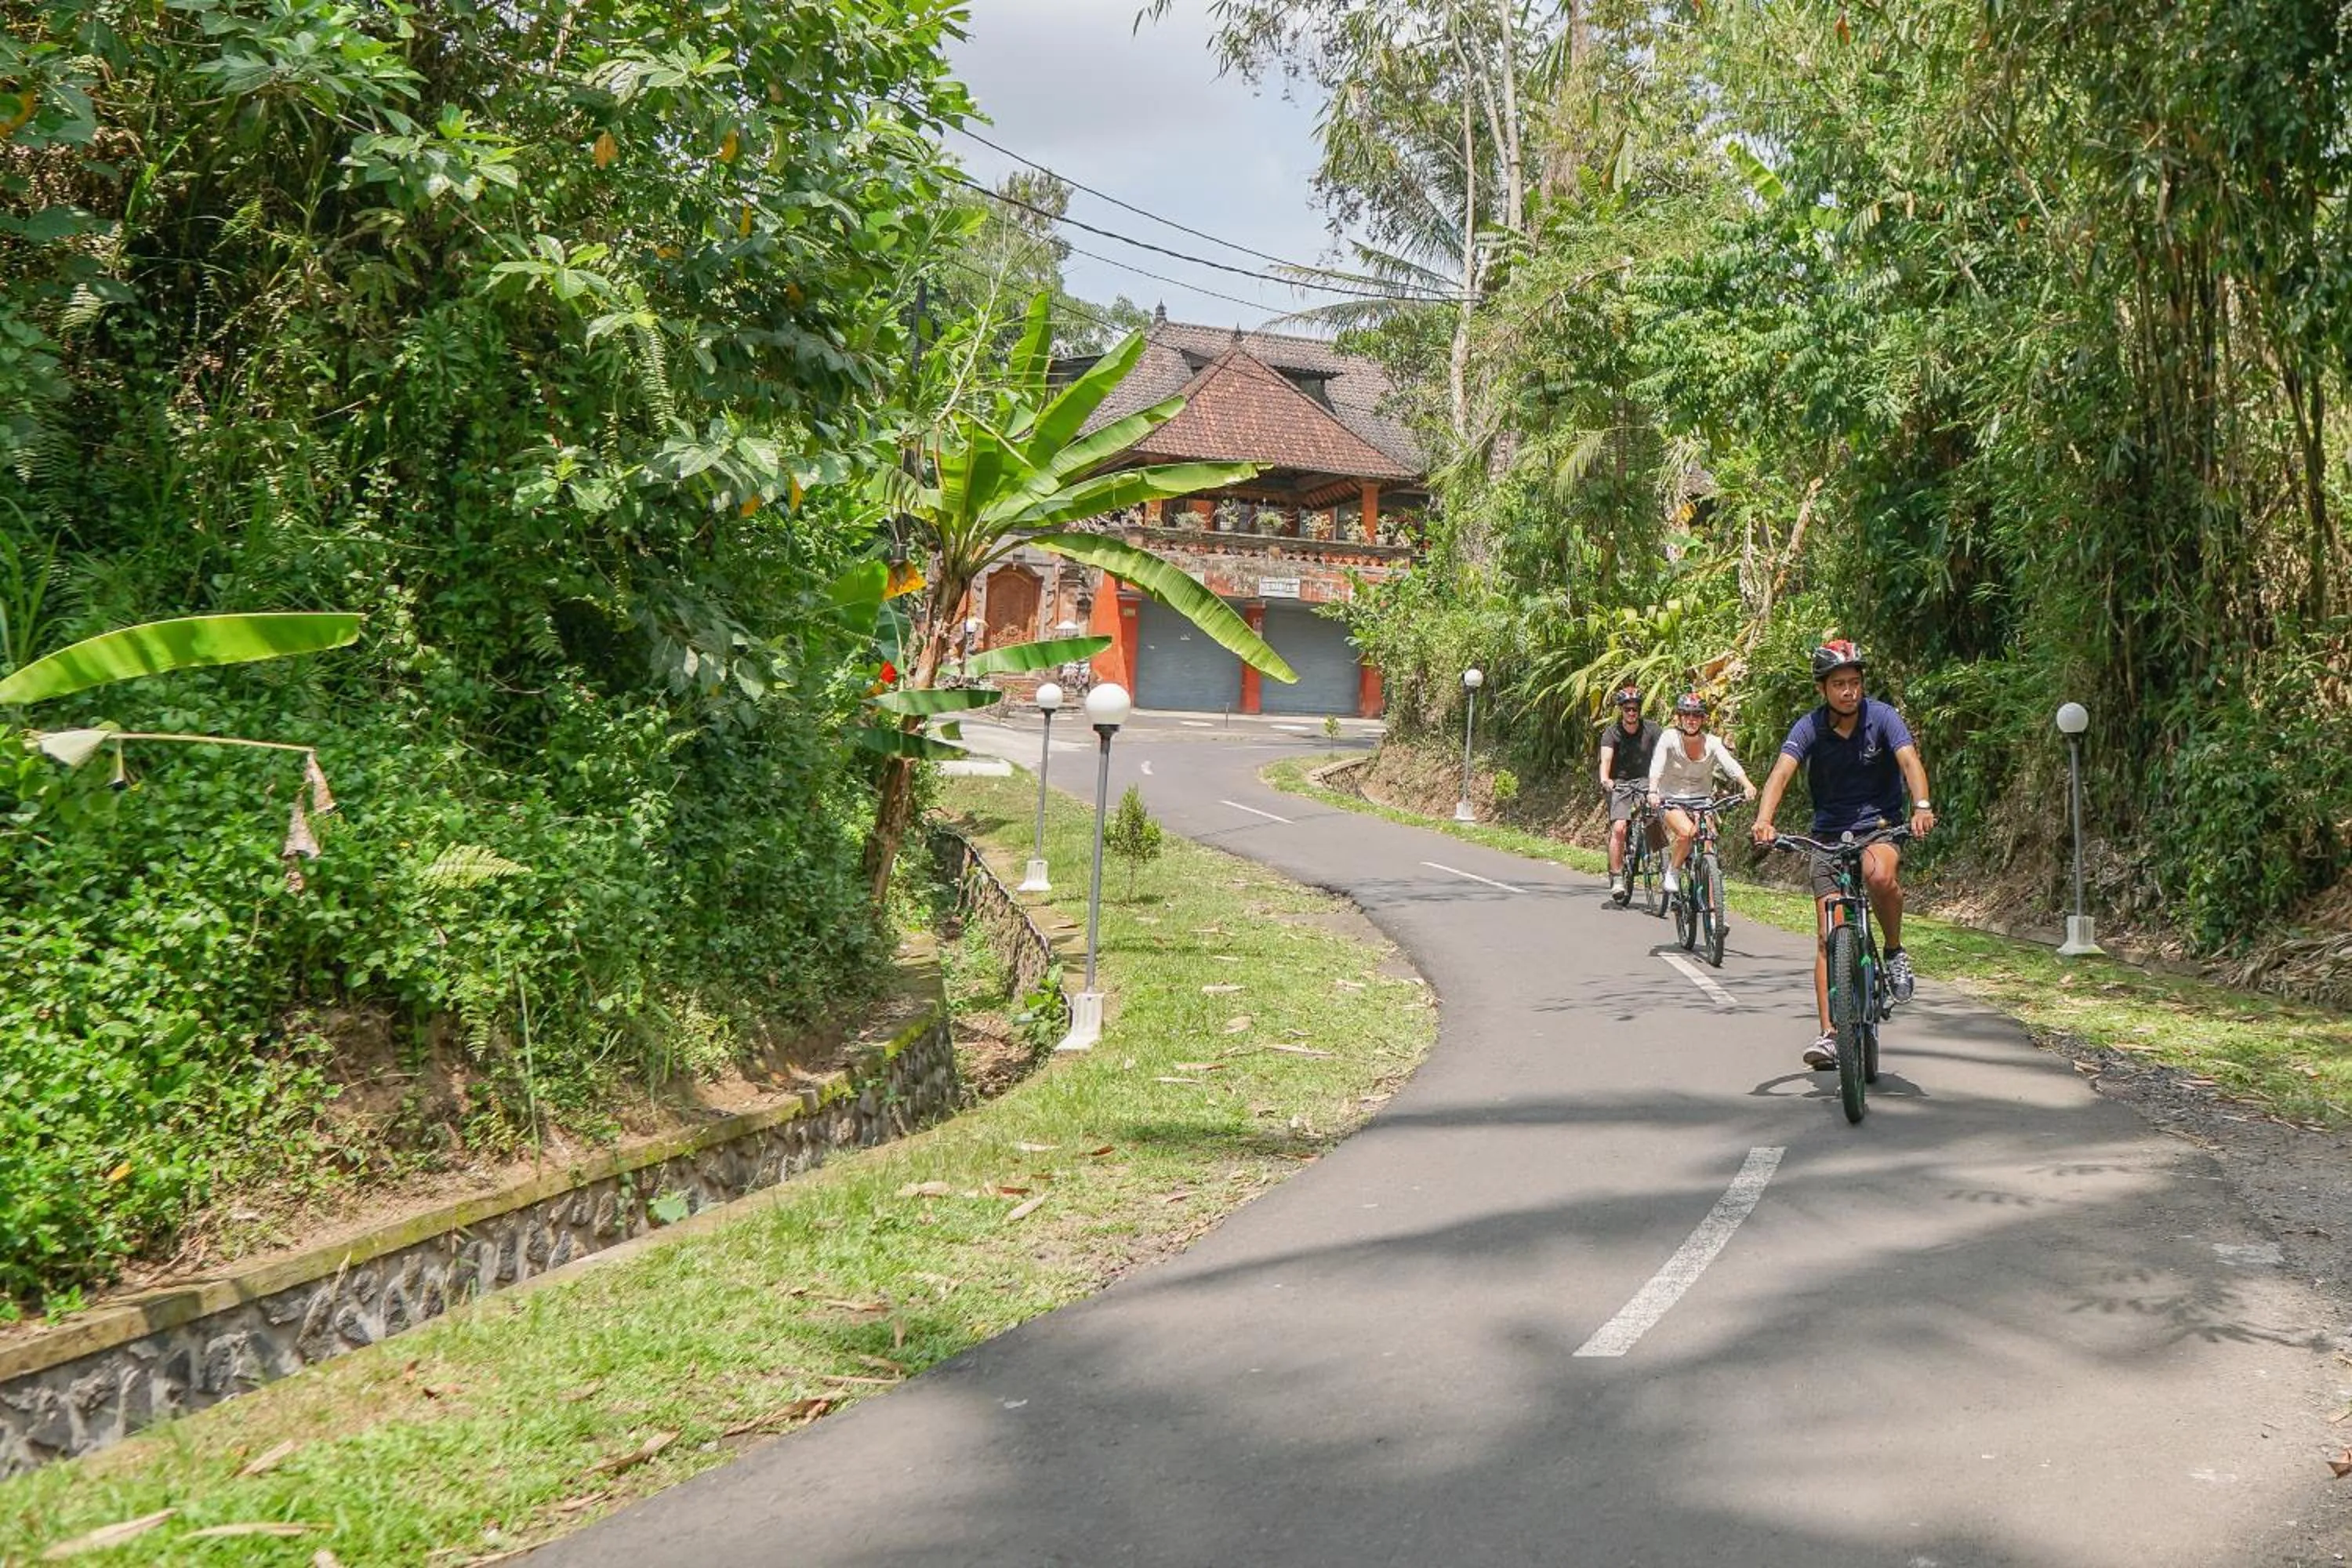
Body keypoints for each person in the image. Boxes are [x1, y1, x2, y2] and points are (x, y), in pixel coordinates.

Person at [1749, 640, 1936, 1069]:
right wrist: (1764, 820)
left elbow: (1909, 762)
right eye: (1839, 684)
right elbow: (1781, 773)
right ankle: (1831, 1035)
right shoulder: (1809, 728)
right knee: (1826, 936)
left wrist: (1922, 806)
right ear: (1823, 689)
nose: (1849, 691)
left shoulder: (1883, 717)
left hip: (1879, 827)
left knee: (1880, 877)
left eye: (1855, 682)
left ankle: (1894, 951)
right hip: (1828, 836)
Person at [1645, 692, 1756, 893]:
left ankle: (1714, 908)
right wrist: (1653, 791)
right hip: (1672, 799)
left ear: (1703, 719)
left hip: (1702, 801)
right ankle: (1674, 870)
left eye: (1696, 715)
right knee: (1687, 833)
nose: (1691, 720)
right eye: (1686, 715)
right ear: (1679, 717)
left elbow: (1730, 765)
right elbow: (1657, 766)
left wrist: (1747, 785)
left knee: (1708, 844)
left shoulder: (1712, 742)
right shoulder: (1669, 738)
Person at [1594, 684, 1662, 903]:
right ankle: (1617, 877)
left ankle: (1664, 866)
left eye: (1635, 709)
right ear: (1621, 710)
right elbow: (1605, 760)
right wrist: (1605, 779)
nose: (1631, 713)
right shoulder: (1612, 733)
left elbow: (1663, 756)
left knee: (1654, 819)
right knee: (1620, 828)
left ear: (1640, 710)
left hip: (1646, 781)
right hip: (1620, 783)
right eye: (1627, 709)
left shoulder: (1652, 730)